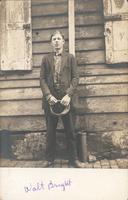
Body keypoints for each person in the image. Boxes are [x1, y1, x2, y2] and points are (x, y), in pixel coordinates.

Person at [40, 30, 84, 168]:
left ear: (63, 42)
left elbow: (76, 78)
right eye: (54, 39)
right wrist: (48, 96)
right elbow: (42, 79)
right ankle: (49, 160)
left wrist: (69, 95)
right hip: (51, 101)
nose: (57, 41)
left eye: (59, 39)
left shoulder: (70, 58)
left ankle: (73, 160)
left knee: (70, 131)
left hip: (67, 101)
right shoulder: (45, 59)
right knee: (50, 132)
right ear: (51, 42)